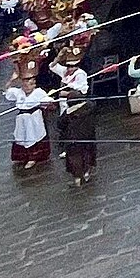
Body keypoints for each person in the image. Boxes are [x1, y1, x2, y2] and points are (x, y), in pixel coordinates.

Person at [54, 54, 96, 186]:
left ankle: (78, 178)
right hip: (88, 135)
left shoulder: (68, 114)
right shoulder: (89, 107)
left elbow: (60, 124)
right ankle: (85, 173)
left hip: (73, 139)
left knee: (75, 158)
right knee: (86, 154)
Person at [6, 64, 56, 172]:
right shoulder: (19, 92)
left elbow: (48, 102)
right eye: (24, 84)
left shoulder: (39, 92)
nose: (26, 86)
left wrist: (48, 101)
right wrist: (12, 79)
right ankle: (22, 156)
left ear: (34, 84)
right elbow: (8, 92)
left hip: (33, 118)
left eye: (29, 83)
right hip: (22, 118)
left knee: (33, 135)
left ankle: (33, 158)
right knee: (21, 136)